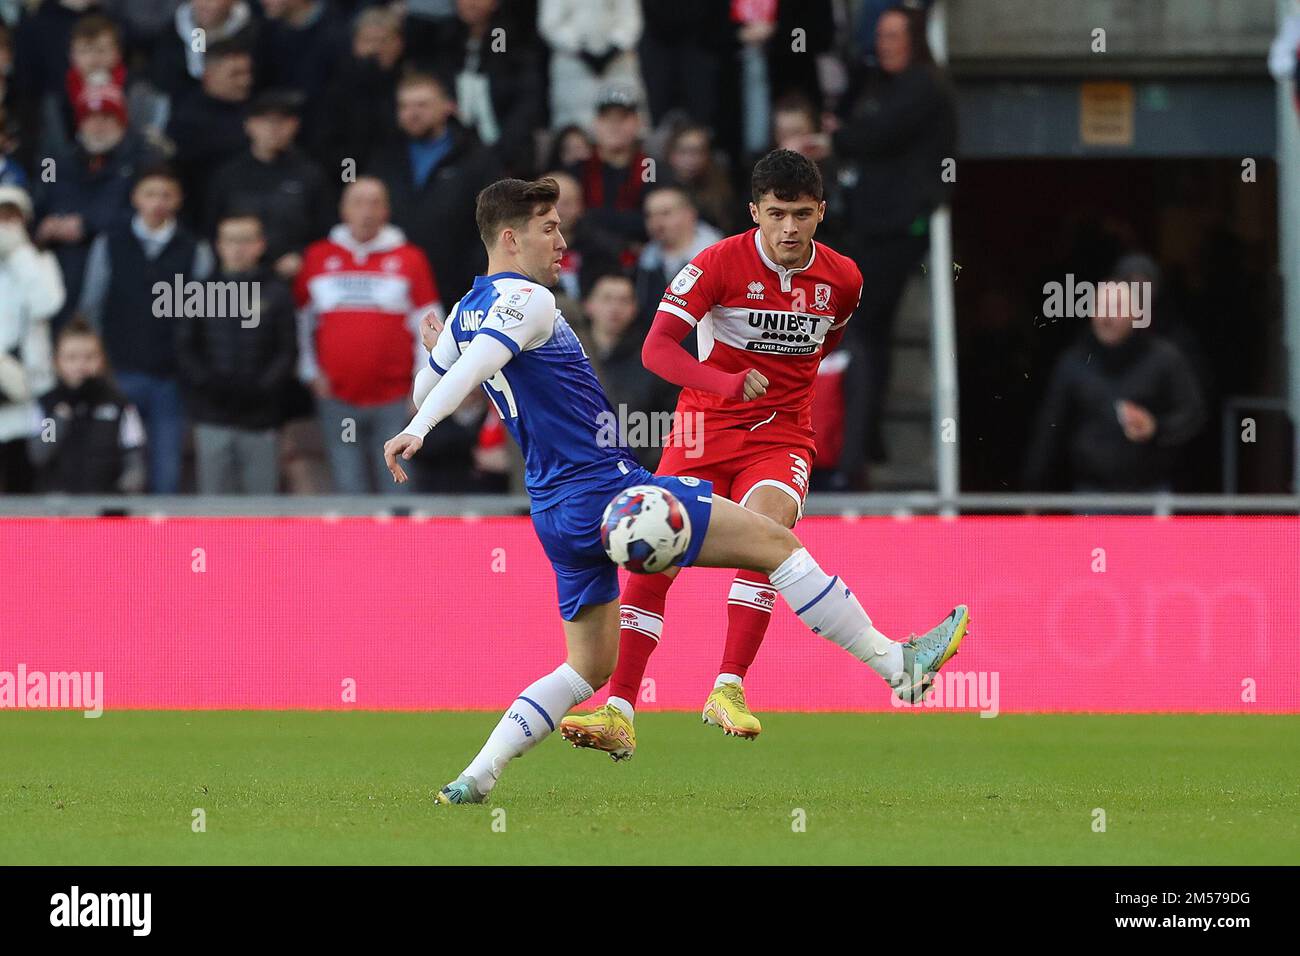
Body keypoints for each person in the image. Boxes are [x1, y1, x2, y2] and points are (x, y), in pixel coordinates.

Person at [381, 176, 969, 803]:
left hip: (552, 512)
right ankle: (896, 668)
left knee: (588, 668)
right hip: (607, 494)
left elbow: (433, 381)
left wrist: (437, 361)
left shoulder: (469, 310)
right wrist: (418, 428)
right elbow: (465, 373)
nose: (561, 240)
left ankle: (477, 774)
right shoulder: (529, 301)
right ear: (510, 237)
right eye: (548, 229)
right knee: (775, 544)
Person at [564, 148, 866, 749]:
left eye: (801, 215)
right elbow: (657, 350)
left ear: (821, 213)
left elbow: (824, 344)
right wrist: (727, 382)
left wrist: (779, 392)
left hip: (780, 432)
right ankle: (619, 709)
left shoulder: (844, 280)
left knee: (768, 533)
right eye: (776, 214)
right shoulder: (716, 263)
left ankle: (728, 687)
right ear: (755, 211)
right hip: (702, 429)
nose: (788, 229)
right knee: (655, 555)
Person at [801, 3, 956, 483]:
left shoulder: (923, 86)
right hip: (873, 227)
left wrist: (838, 139)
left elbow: (878, 133)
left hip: (895, 231)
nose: (885, 44)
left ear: (915, 40)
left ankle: (856, 454)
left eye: (895, 35)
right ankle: (864, 444)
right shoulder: (881, 85)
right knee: (870, 335)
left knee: (865, 333)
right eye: (881, 36)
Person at [295, 177, 441, 494]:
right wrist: (309, 371)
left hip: (395, 397)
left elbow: (430, 323)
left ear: (387, 210)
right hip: (336, 394)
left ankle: (402, 545)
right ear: (343, 209)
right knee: (349, 488)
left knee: (399, 485)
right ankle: (354, 545)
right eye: (358, 202)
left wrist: (423, 383)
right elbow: (302, 322)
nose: (367, 211)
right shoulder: (318, 256)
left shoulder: (409, 258)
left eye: (375, 202)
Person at [79, 163, 213, 493]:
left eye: (166, 194)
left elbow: (202, 317)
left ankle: (162, 542)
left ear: (179, 199)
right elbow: (92, 305)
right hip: (118, 374)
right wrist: (101, 364)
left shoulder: (195, 249)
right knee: (115, 469)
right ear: (136, 197)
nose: (158, 202)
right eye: (150, 193)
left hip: (171, 379)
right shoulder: (110, 242)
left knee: (166, 472)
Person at [1022, 280, 1205, 494]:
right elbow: (1049, 430)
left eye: (1116, 308)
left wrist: (1156, 427)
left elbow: (1193, 415)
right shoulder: (1074, 362)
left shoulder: (1165, 359)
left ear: (1136, 313)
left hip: (1152, 492)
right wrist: (1033, 491)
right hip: (1090, 495)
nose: (1107, 317)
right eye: (1100, 307)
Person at [177, 211, 296, 494]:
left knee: (261, 503)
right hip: (212, 414)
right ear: (219, 245)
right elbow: (185, 347)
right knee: (215, 504)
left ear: (260, 245)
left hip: (261, 415)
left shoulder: (277, 292)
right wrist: (210, 386)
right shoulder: (199, 292)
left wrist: (261, 388)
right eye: (231, 240)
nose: (238, 248)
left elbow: (287, 350)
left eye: (245, 240)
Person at [364, 70, 502, 303]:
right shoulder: (384, 157)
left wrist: (482, 275)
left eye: (422, 105)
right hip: (392, 287)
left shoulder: (476, 157)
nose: (412, 114)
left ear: (447, 106)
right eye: (405, 106)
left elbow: (495, 221)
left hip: (459, 287)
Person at [204, 89, 330, 282]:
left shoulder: (311, 174)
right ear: (249, 125)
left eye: (282, 121)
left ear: (295, 125)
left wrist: (301, 255)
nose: (273, 128)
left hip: (294, 277)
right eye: (265, 121)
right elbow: (211, 226)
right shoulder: (228, 175)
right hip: (237, 277)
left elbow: (325, 230)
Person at [30, 317, 146, 493]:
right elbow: (40, 454)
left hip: (105, 509)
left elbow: (134, 458)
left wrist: (128, 485)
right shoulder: (49, 404)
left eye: (89, 357)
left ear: (101, 360)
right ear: (57, 362)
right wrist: (59, 419)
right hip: (59, 510)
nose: (81, 365)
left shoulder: (118, 404)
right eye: (72, 358)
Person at [580, 271, 677, 470]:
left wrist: (646, 462)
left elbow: (675, 421)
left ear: (634, 309)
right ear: (588, 305)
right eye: (607, 299)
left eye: (624, 300)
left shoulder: (651, 361)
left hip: (638, 473)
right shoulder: (570, 357)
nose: (615, 308)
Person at [0, 184, 62, 492]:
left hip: (30, 388)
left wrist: (20, 253)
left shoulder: (40, 262)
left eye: (13, 218)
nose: (6, 225)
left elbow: (47, 303)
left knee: (24, 474)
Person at [634, 184, 721, 323]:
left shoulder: (718, 258)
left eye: (665, 213)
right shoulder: (646, 262)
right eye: (650, 215)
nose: (656, 222)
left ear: (690, 214)